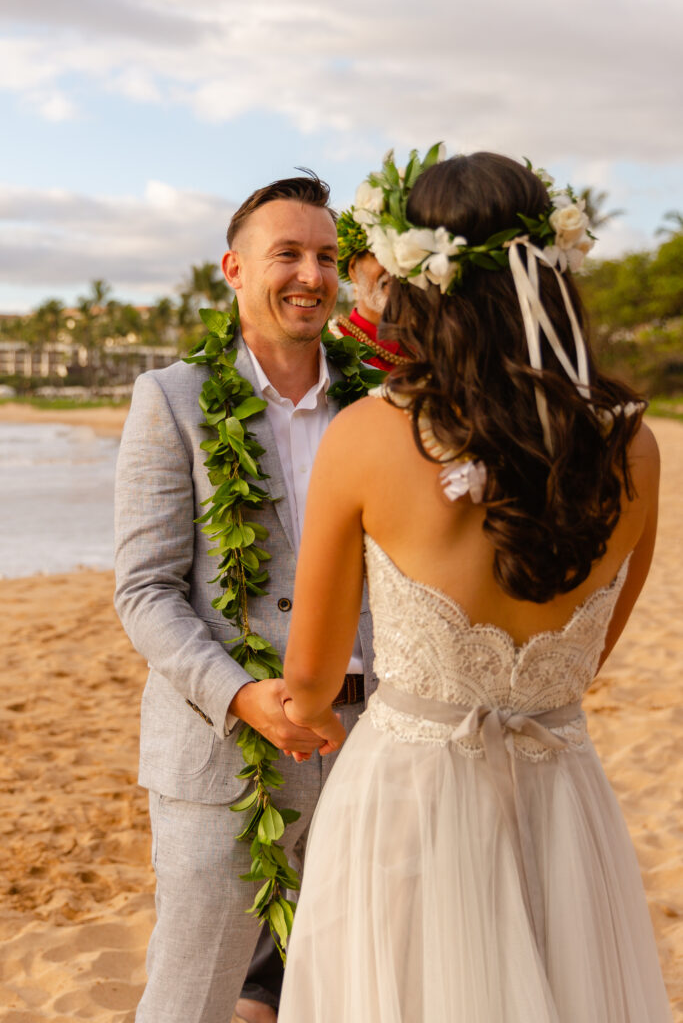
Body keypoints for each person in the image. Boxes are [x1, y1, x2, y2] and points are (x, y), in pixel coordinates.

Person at [276, 151, 673, 1021]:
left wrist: (293, 706)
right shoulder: (631, 448)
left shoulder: (367, 435)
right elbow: (588, 658)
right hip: (561, 792)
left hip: (411, 796)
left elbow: (309, 681)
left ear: (421, 280)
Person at [114, 173, 378, 1023]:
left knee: (342, 987)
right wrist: (239, 693)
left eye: (327, 257)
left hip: (372, 741)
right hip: (223, 755)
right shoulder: (173, 401)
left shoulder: (376, 403)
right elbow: (146, 589)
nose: (311, 275)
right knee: (191, 992)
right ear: (233, 268)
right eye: (287, 254)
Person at [333, 208, 411, 371]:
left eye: (405, 254)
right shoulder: (329, 345)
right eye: (380, 253)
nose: (394, 266)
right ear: (353, 269)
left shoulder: (439, 345)